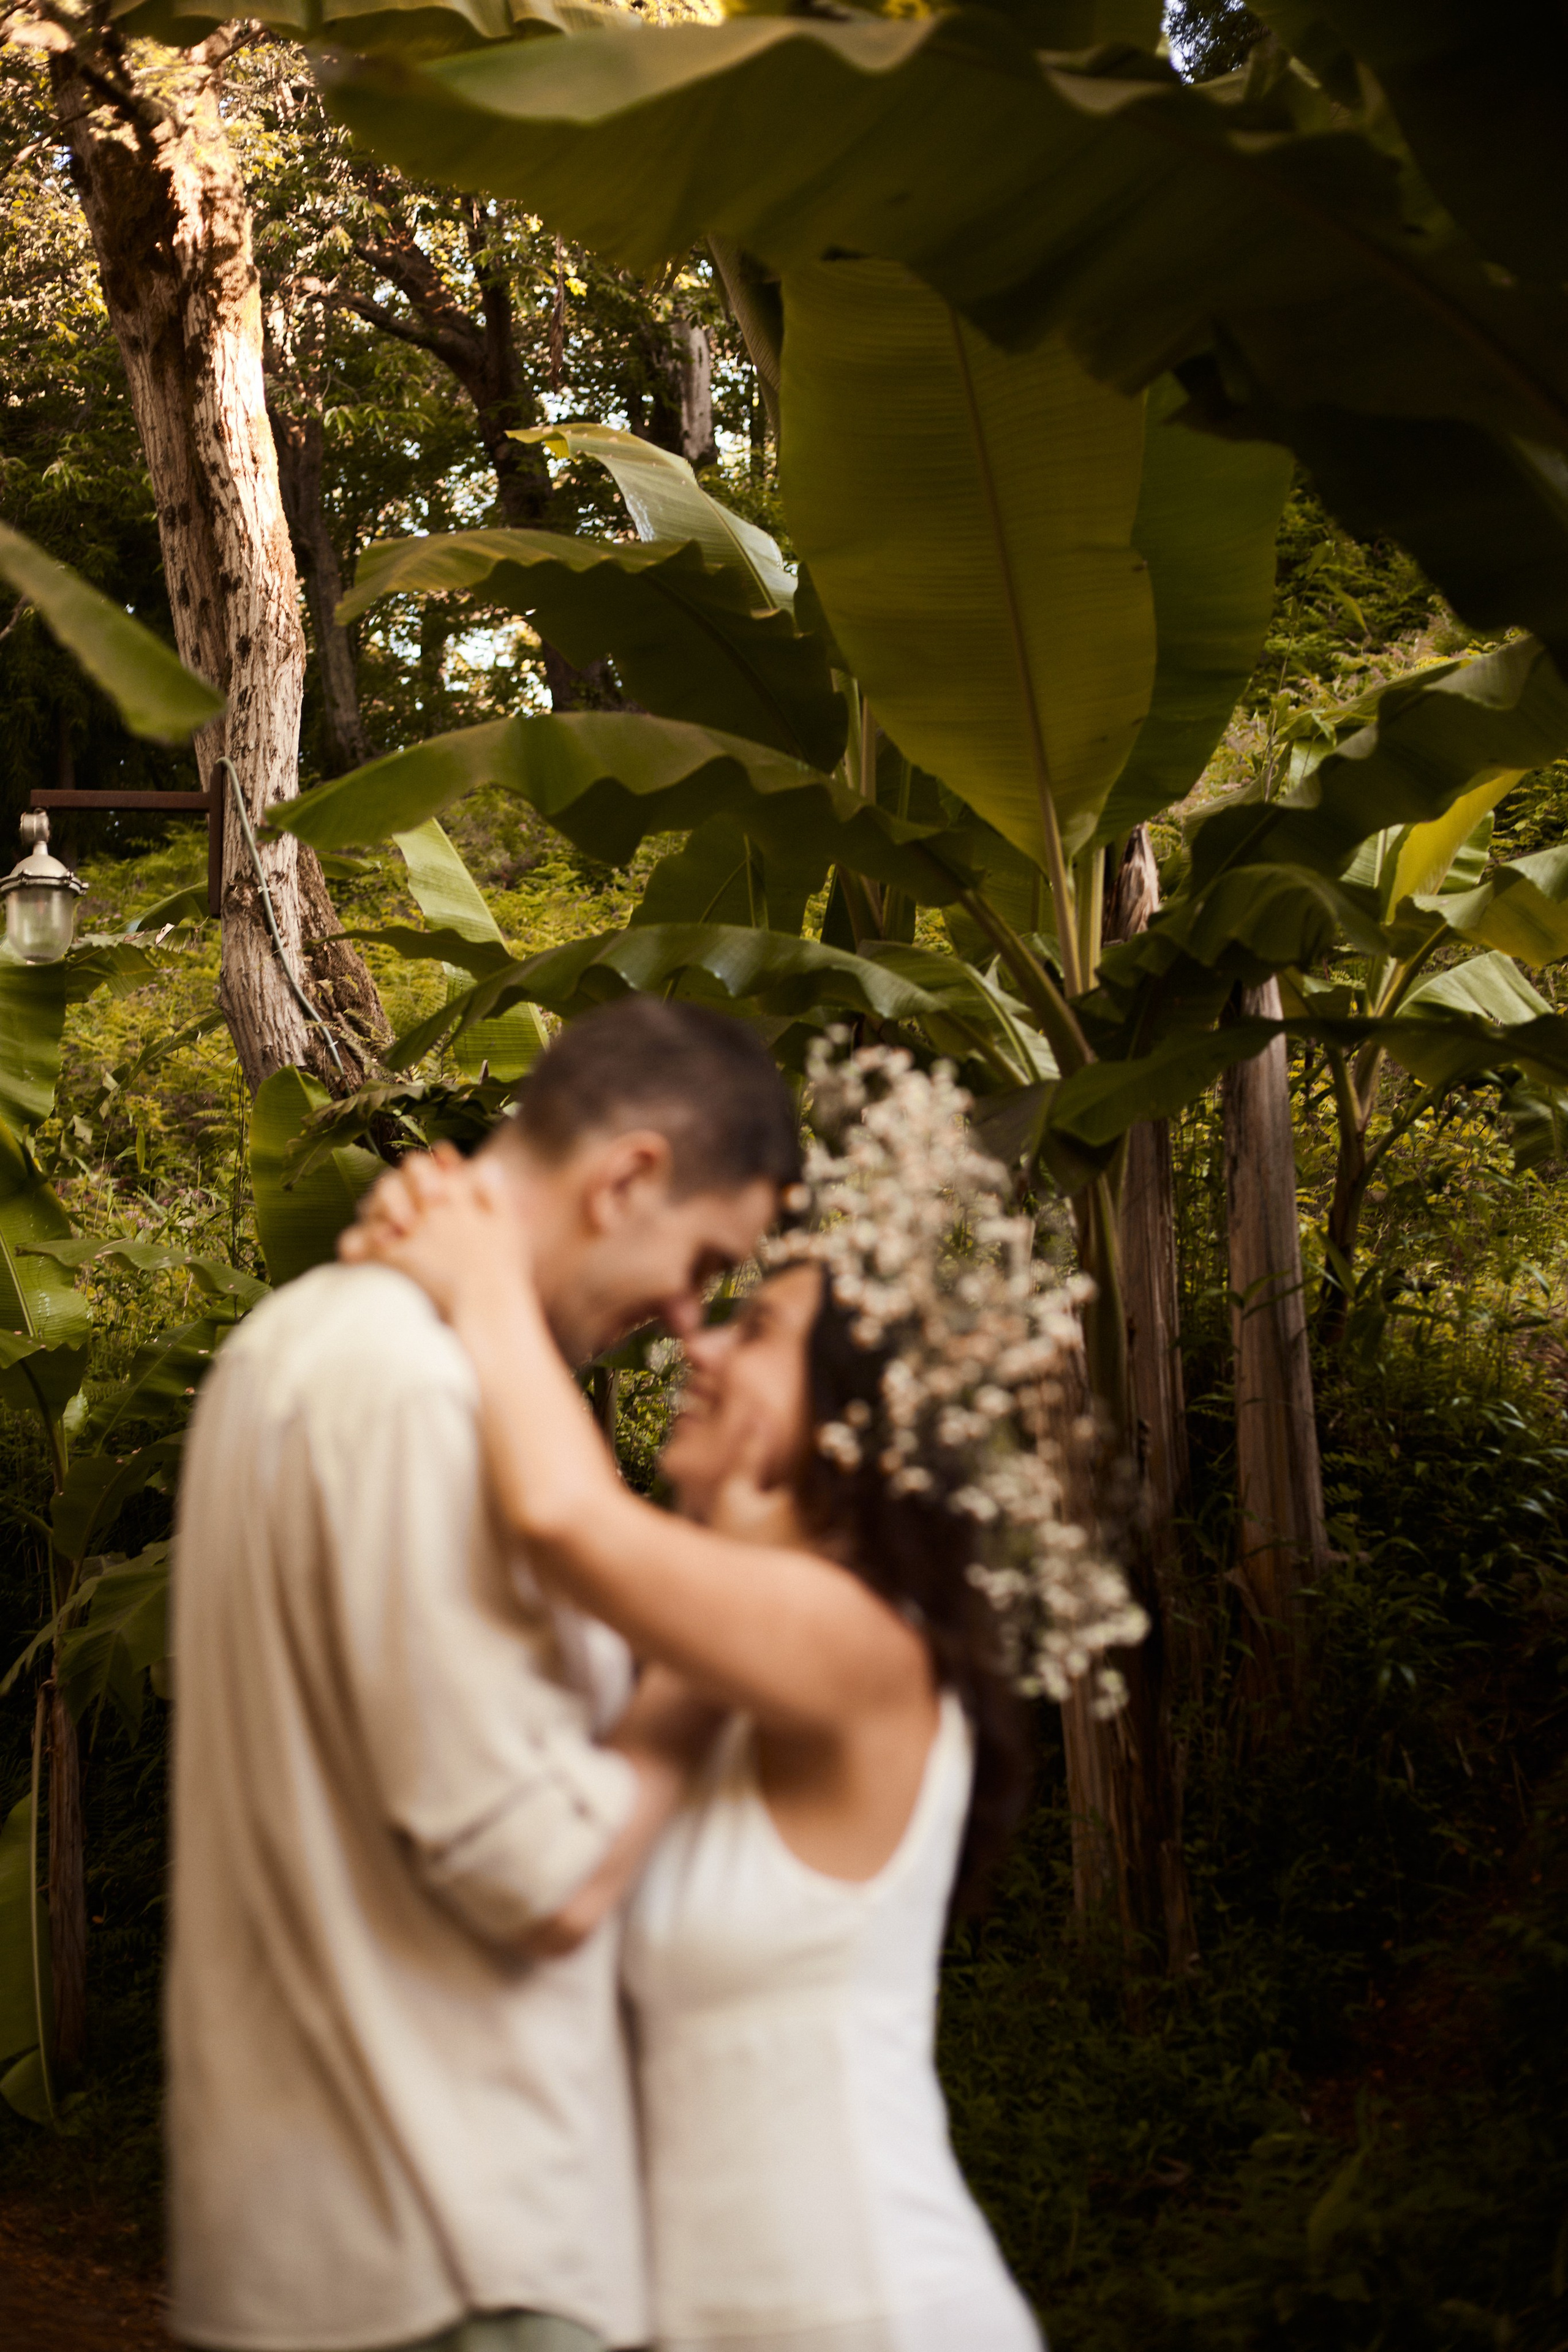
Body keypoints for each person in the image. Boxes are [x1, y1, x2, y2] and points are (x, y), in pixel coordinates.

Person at [347, 1041, 1134, 2352]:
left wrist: (479, 1263)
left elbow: (559, 1512)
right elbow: (572, 1885)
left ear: (840, 1418)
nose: (694, 1339)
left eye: (753, 1326)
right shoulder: (704, 1679)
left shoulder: (863, 1648)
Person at [165, 997, 801, 2352]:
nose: (685, 1322)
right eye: (700, 1260)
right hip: (452, 2249)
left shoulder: (291, 1344)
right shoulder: (419, 1395)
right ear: (627, 1174)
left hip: (332, 2229)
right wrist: (708, 1669)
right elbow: (542, 1872)